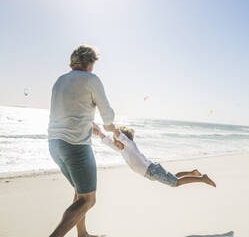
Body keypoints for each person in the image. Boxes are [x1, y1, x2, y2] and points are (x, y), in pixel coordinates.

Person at [48, 45, 115, 237]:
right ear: (89, 63)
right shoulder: (91, 79)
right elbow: (107, 115)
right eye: (93, 64)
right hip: (76, 147)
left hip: (54, 145)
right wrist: (110, 128)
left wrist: (89, 123)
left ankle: (82, 233)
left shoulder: (60, 80)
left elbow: (68, 112)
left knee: (80, 192)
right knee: (88, 200)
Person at [92, 123, 216, 188]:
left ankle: (202, 179)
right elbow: (109, 142)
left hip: (152, 171)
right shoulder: (122, 150)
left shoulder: (130, 146)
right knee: (173, 178)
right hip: (151, 172)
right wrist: (99, 133)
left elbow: (121, 137)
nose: (114, 142)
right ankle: (193, 173)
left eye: (116, 140)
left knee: (176, 183)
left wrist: (113, 130)